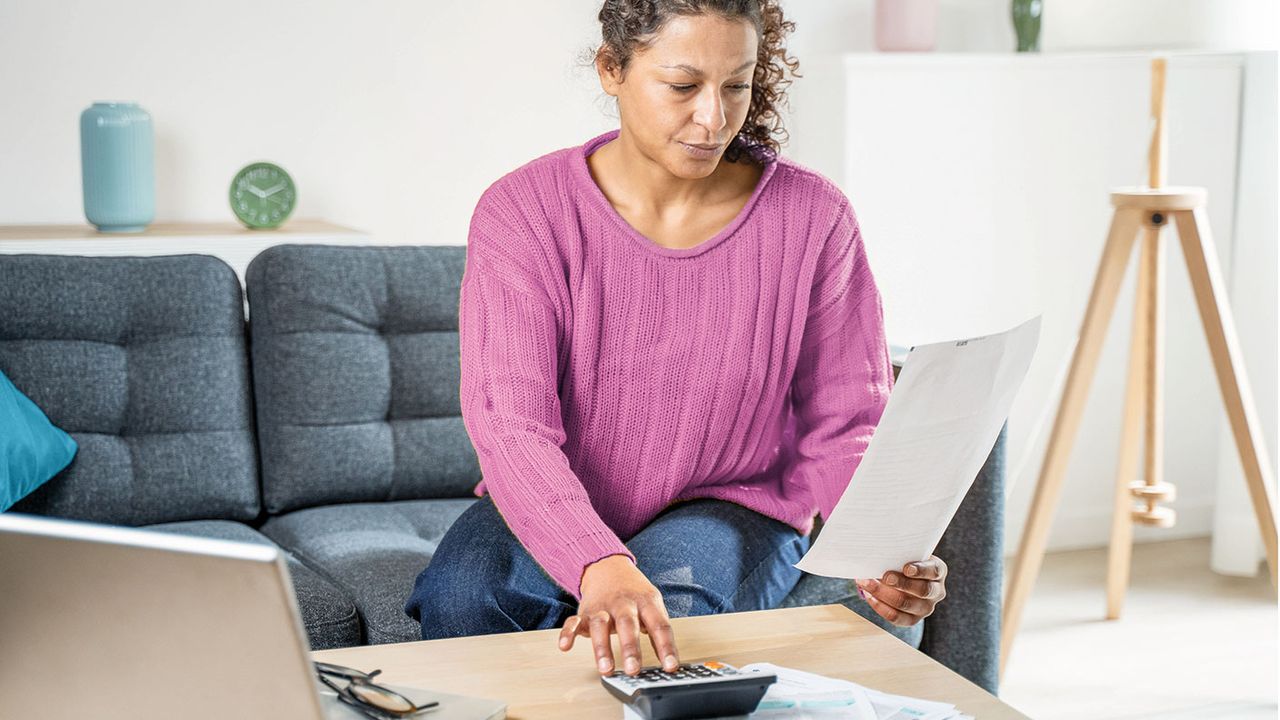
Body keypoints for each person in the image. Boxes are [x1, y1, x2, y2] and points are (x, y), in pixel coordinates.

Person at [404, 0, 949, 678]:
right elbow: (510, 425)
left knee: (667, 626)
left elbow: (847, 422)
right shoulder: (524, 211)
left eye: (736, 85)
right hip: (564, 487)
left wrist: (880, 551)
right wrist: (597, 561)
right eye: (684, 86)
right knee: (464, 601)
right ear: (612, 68)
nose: (714, 118)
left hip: (731, 504)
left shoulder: (815, 218)